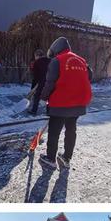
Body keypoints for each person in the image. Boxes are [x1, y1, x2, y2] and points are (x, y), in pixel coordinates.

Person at [39, 37, 93, 169]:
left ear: (56, 50)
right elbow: (89, 77)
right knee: (71, 130)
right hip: (79, 103)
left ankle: (51, 158)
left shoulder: (57, 61)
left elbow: (50, 83)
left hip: (61, 104)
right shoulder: (82, 61)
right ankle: (66, 158)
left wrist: (43, 98)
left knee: (54, 132)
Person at [29, 49, 51, 115]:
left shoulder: (37, 62)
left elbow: (35, 76)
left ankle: (34, 110)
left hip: (41, 82)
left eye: (35, 56)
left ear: (37, 55)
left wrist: (33, 87)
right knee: (49, 97)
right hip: (50, 82)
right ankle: (49, 111)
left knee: (37, 96)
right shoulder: (50, 60)